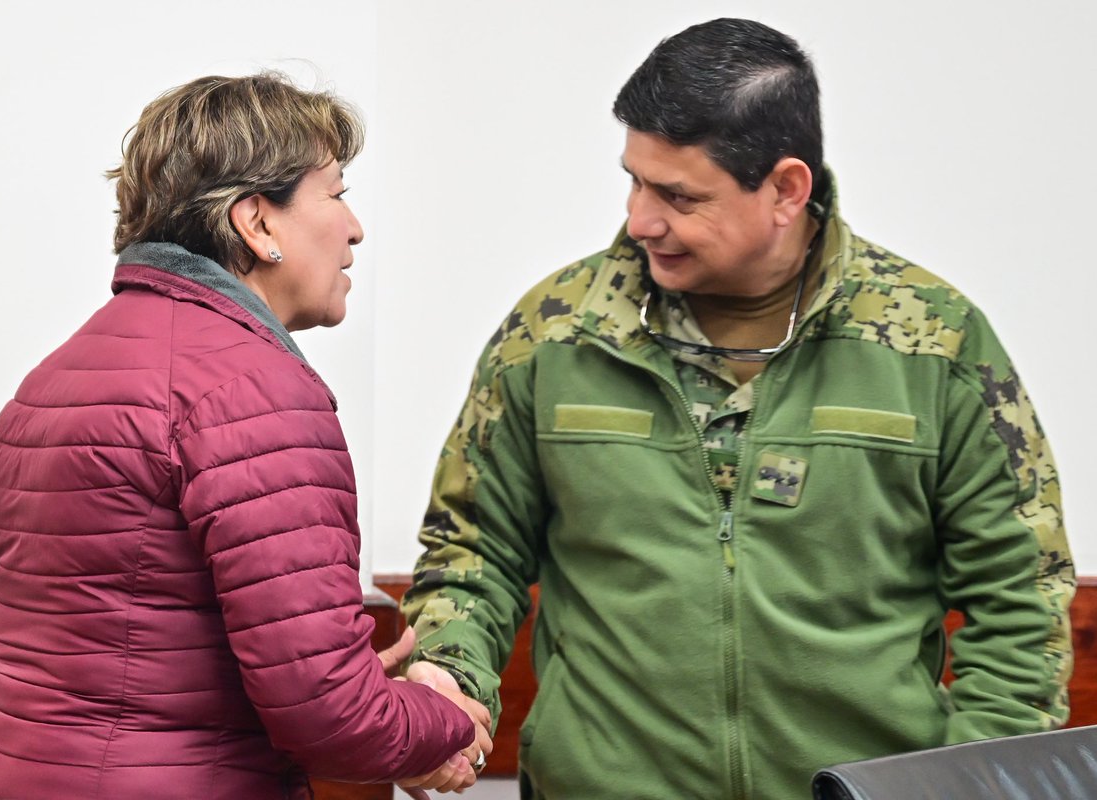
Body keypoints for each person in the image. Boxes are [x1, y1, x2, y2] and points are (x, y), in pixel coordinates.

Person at [401, 17, 1075, 799]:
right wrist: (448, 677)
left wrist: (971, 784)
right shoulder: (555, 333)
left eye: (678, 195)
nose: (640, 219)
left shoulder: (933, 341)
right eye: (634, 180)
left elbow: (1020, 600)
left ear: (785, 189)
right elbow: (471, 552)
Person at [0, 72, 490, 800]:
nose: (355, 227)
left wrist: (368, 700)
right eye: (336, 194)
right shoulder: (252, 391)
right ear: (257, 223)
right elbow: (329, 715)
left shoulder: (51, 380)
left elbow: (135, 651)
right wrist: (442, 720)